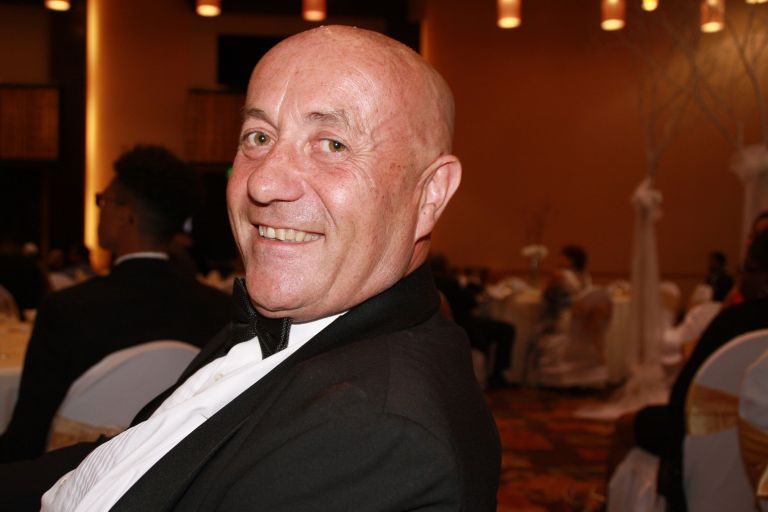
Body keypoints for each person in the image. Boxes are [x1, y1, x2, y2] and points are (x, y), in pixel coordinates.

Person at [0, 26, 500, 511]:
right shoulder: (283, 325)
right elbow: (135, 460)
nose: (263, 183)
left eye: (333, 144)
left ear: (430, 194)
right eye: (258, 137)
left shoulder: (379, 435)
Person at [0, 145, 231, 464]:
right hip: (174, 474)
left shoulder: (67, 309)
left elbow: (26, 441)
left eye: (104, 201)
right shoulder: (221, 311)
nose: (100, 210)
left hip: (71, 477)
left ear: (126, 215)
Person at [613, 229, 768, 511]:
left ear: (762, 278)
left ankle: (606, 502)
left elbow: (684, 402)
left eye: (745, 269)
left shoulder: (733, 322)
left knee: (625, 425)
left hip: (703, 440)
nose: (740, 278)